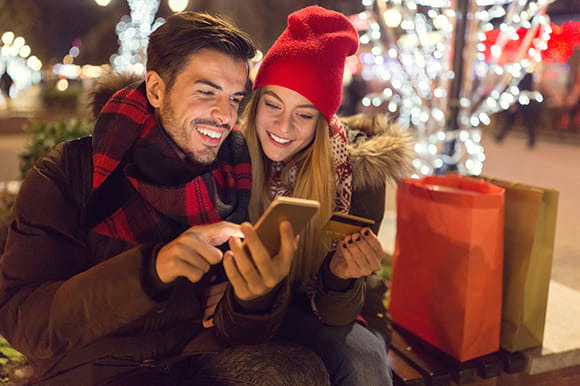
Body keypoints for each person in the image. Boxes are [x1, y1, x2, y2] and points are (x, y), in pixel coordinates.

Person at [0, 11, 330, 386]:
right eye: (207, 92)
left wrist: (252, 298)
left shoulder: (232, 172)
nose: (225, 116)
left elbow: (233, 330)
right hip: (93, 371)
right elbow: (25, 322)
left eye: (235, 98)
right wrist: (151, 270)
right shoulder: (69, 172)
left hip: (192, 361)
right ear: (156, 89)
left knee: (302, 370)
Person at [238, 6, 414, 385]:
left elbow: (340, 317)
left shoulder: (356, 174)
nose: (284, 127)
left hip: (324, 314)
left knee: (363, 361)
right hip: (243, 310)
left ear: (322, 121)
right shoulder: (231, 157)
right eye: (273, 105)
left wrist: (340, 278)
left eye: (304, 114)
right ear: (255, 102)